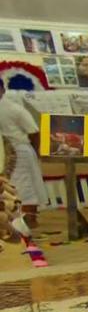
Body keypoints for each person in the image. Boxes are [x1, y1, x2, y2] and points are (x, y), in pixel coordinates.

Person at [0, 81, 47, 227]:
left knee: (23, 184)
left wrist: (36, 150)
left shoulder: (13, 108)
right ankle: (19, 219)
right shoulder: (14, 108)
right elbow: (34, 132)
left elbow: (34, 133)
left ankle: (28, 218)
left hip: (17, 149)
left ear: (2, 90)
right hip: (7, 150)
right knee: (15, 185)